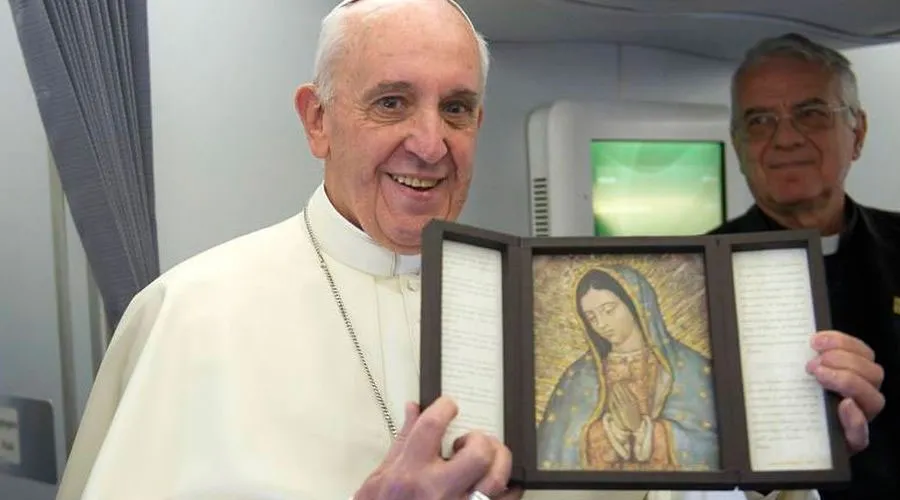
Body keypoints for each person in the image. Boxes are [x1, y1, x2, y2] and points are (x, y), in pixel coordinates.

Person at [54, 2, 882, 498]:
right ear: (317, 119)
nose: (429, 142)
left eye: (456, 109)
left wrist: (775, 448)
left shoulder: (539, 303)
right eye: (390, 102)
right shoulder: (192, 314)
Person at [709, 32, 897, 499]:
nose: (785, 137)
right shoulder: (696, 277)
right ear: (738, 147)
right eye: (759, 121)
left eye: (811, 114)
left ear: (859, 132)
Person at [537, 266, 718, 472]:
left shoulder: (692, 368)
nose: (602, 324)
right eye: (592, 317)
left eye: (609, 310)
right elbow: (557, 446)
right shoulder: (579, 376)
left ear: (636, 304)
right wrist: (613, 431)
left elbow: (712, 445)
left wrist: (645, 430)